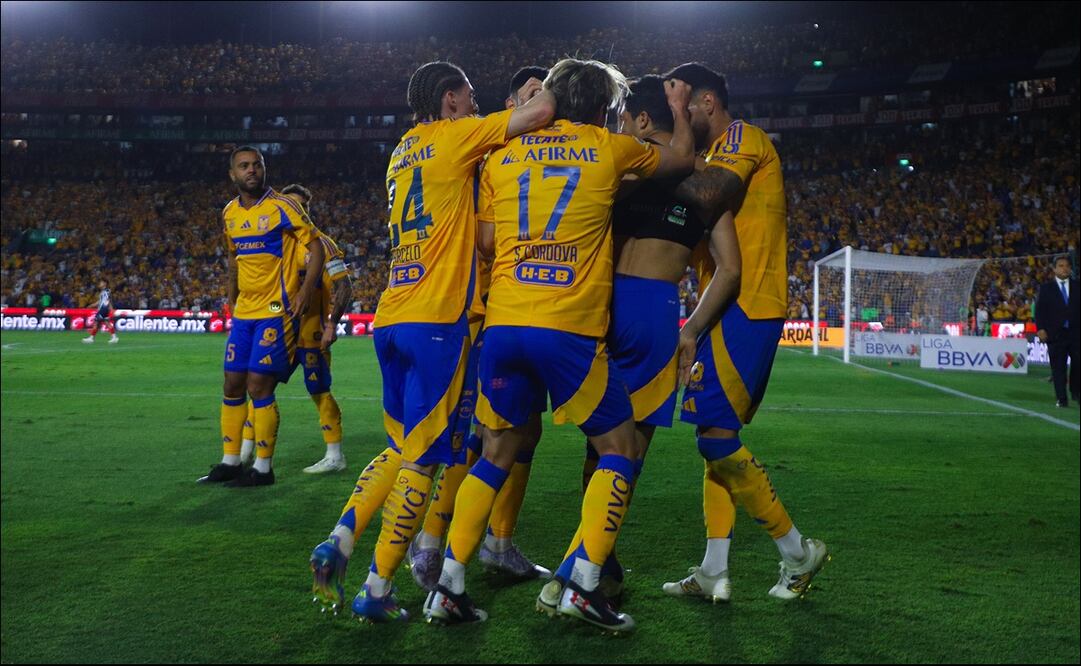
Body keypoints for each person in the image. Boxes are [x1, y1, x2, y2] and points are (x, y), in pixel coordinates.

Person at [423, 58, 694, 633]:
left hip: (502, 325)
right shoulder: (606, 147)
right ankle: (585, 584)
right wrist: (675, 109)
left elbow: (489, 238)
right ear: (603, 108)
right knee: (621, 446)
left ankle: (448, 586)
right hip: (566, 327)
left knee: (495, 451)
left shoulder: (502, 153)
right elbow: (680, 161)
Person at [308, 61, 557, 622]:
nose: (476, 104)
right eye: (469, 96)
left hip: (392, 314)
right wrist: (571, 86)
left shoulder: (401, 150)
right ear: (449, 99)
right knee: (424, 461)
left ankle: (341, 539)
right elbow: (540, 111)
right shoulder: (458, 134)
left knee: (399, 448)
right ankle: (377, 589)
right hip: (440, 322)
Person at [547, 74, 723, 604]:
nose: (618, 127)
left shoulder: (614, 168)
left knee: (599, 444)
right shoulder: (707, 184)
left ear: (642, 121)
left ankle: (600, 564)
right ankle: (580, 569)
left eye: (624, 119)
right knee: (629, 452)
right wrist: (693, 329)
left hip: (598, 305)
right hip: (651, 311)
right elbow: (729, 269)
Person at [657, 63, 828, 603]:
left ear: (707, 102)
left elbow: (707, 193)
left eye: (682, 107)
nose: (678, 119)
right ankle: (713, 569)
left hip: (748, 304)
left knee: (716, 437)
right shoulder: (712, 151)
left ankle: (798, 551)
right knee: (712, 438)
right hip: (720, 305)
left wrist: (659, 148)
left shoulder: (744, 138)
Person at [407, 66, 554, 592]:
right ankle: (430, 543)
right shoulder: (488, 150)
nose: (544, 102)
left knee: (522, 430)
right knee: (474, 434)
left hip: (526, 312)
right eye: (532, 96)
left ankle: (499, 541)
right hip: (480, 311)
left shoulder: (548, 156)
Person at [196, 146, 326, 487]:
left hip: (275, 309)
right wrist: (231, 299)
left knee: (259, 383)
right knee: (232, 381)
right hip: (245, 311)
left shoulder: (284, 206)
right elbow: (233, 259)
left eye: (257, 165)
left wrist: (305, 291)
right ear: (233, 174)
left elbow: (317, 247)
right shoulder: (229, 214)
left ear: (264, 169)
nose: (251, 170)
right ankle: (230, 461)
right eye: (244, 166)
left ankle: (264, 469)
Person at [238, 184, 354, 474]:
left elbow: (344, 286)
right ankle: (243, 455)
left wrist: (331, 325)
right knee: (260, 385)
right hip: (281, 329)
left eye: (299, 206)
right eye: (289, 205)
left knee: (318, 388)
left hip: (311, 332)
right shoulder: (276, 244)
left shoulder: (322, 245)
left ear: (307, 211)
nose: (293, 211)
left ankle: (335, 455)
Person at [1035, 255, 1079, 407]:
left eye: (1067, 265)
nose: (1064, 268)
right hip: (1055, 334)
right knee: (1058, 368)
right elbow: (1040, 310)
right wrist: (1040, 328)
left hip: (1076, 333)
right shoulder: (1046, 288)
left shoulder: (1078, 286)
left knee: (1078, 364)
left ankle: (1075, 390)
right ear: (1054, 269)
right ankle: (1062, 398)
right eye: (1060, 265)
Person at [81, 280, 119, 344]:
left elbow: (108, 300)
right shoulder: (103, 292)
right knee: (106, 323)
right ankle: (114, 337)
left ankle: (91, 338)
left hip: (103, 309)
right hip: (104, 309)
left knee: (96, 323)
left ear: (105, 284)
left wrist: (110, 308)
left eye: (101, 283)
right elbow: (100, 302)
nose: (99, 284)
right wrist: (91, 305)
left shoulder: (106, 291)